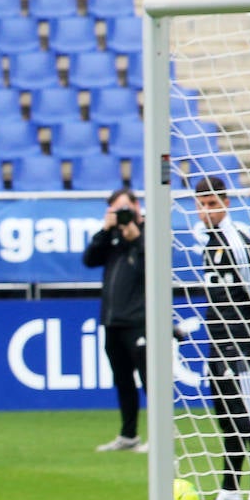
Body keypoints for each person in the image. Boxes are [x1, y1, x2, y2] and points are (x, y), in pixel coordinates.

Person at [193, 175, 250, 500]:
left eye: (213, 204)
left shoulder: (237, 242)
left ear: (226, 204)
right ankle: (229, 496)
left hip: (240, 345)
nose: (207, 211)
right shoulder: (210, 244)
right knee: (228, 421)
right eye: (201, 205)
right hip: (218, 345)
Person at [82, 187, 148, 453]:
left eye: (124, 209)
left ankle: (161, 436)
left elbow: (152, 268)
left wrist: (136, 240)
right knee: (122, 380)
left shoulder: (148, 234)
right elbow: (89, 260)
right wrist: (105, 230)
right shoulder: (112, 239)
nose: (121, 215)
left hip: (140, 321)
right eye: (115, 211)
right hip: (112, 320)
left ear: (136, 207)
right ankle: (128, 435)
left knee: (149, 380)